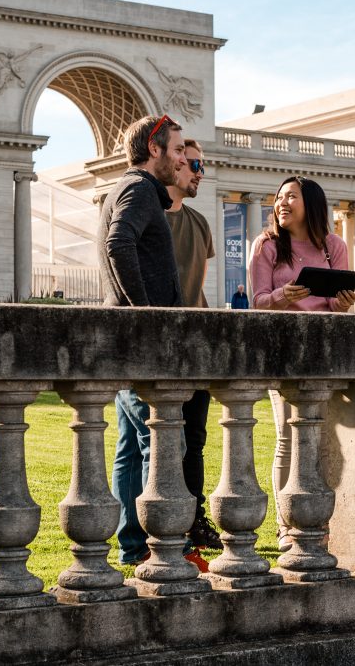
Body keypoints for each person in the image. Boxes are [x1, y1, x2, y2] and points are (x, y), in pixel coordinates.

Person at [97, 113, 208, 571]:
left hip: (127, 341)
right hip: (145, 344)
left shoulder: (127, 190)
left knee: (130, 446)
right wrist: (147, 315)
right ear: (154, 149)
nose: (184, 159)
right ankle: (163, 549)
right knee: (163, 445)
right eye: (179, 150)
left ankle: (133, 545)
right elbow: (118, 246)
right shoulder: (140, 189)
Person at [248, 175, 355, 551]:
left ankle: (319, 519)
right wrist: (282, 295)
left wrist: (340, 303)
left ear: (310, 203)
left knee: (325, 440)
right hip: (283, 351)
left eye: (290, 196)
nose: (281, 203)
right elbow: (257, 302)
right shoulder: (266, 247)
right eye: (278, 197)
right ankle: (285, 524)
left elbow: (333, 304)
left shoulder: (334, 246)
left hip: (323, 354)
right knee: (287, 437)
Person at [164, 138, 222, 551]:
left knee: (195, 441)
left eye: (203, 164)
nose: (200, 171)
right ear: (175, 162)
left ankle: (193, 517)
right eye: (194, 163)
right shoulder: (147, 217)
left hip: (197, 346)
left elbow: (200, 286)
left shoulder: (200, 223)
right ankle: (152, 528)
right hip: (163, 348)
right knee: (158, 442)